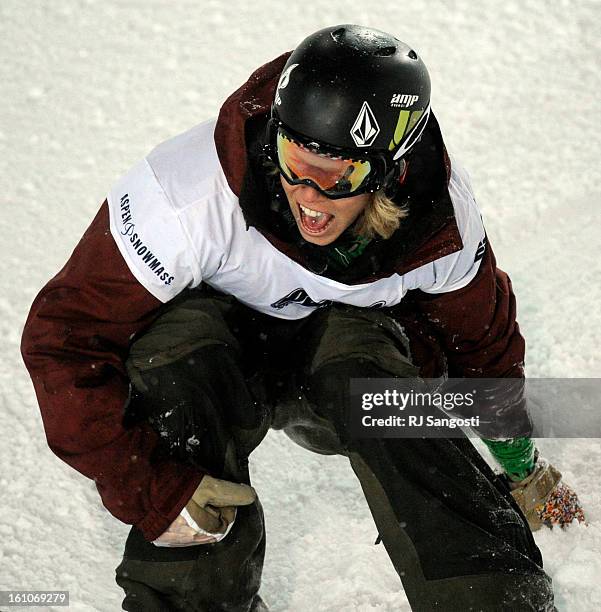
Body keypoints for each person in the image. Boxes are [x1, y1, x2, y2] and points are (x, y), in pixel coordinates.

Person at [21, 24, 583, 612]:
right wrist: (153, 492)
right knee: (174, 358)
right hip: (220, 347)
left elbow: (483, 346)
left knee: (388, 400)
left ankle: (494, 599)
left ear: (388, 169)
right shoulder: (186, 195)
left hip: (345, 347)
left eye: (337, 177)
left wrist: (522, 468)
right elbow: (64, 336)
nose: (309, 197)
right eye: (295, 161)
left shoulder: (441, 225)